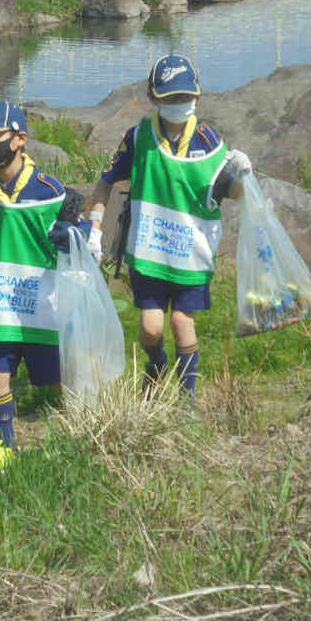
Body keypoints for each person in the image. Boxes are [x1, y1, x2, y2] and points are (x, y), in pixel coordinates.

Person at [86, 54, 252, 398]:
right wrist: (95, 228)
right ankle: (157, 362)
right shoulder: (138, 138)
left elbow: (230, 192)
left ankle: (186, 399)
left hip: (191, 253)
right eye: (171, 98)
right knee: (150, 328)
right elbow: (105, 182)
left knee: (181, 322)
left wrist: (243, 176)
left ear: (197, 95)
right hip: (149, 250)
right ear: (153, 97)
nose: (179, 104)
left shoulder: (209, 140)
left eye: (185, 97)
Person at [0, 101, 86, 477]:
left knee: (59, 377)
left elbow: (76, 238)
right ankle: (4, 446)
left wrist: (76, 237)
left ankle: (82, 435)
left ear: (19, 139)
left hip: (42, 306)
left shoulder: (50, 191)